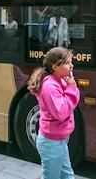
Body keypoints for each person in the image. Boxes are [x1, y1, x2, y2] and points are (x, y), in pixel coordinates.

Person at [27, 47, 80, 179]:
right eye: (67, 63)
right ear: (55, 66)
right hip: (51, 143)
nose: (72, 66)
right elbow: (61, 112)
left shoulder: (59, 81)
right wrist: (72, 89)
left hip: (58, 141)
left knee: (67, 176)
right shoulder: (50, 86)